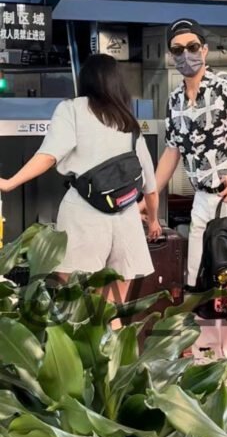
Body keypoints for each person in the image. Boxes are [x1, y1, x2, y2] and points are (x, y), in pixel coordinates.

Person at [152, 18, 227, 389]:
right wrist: (150, 196)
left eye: (192, 47)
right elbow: (172, 152)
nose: (185, 55)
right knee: (199, 277)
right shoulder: (175, 100)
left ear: (204, 50)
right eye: (177, 50)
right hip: (203, 199)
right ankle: (206, 355)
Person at [0, 54, 159, 311]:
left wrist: (10, 183)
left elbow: (49, 155)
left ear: (85, 81)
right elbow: (150, 187)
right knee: (111, 309)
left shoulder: (72, 109)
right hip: (126, 219)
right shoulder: (128, 122)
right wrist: (153, 221)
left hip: (83, 216)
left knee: (75, 308)